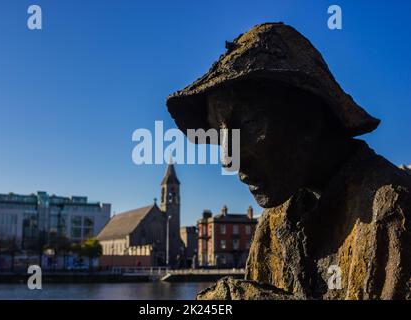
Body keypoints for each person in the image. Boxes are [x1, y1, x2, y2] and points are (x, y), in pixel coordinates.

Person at [166, 23, 411, 300]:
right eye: (219, 134)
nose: (228, 159)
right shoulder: (276, 219)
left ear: (308, 118)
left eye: (249, 123)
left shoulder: (395, 211)